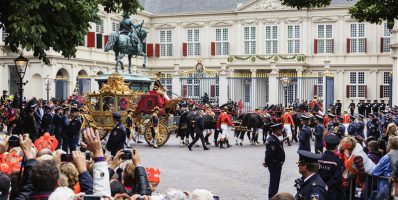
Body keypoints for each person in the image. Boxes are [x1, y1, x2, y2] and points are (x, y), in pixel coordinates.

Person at [263, 123, 285, 199]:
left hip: (276, 164)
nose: (281, 131)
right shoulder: (272, 140)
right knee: (274, 185)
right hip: (275, 165)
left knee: (275, 184)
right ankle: (272, 198)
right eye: (280, 130)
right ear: (276, 130)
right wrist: (266, 162)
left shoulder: (274, 138)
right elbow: (268, 154)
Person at [318, 135, 343, 200]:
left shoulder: (319, 158)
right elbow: (337, 178)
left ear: (325, 145)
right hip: (332, 191)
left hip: (320, 188)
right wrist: (327, 186)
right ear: (336, 146)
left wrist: (322, 185)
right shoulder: (337, 160)